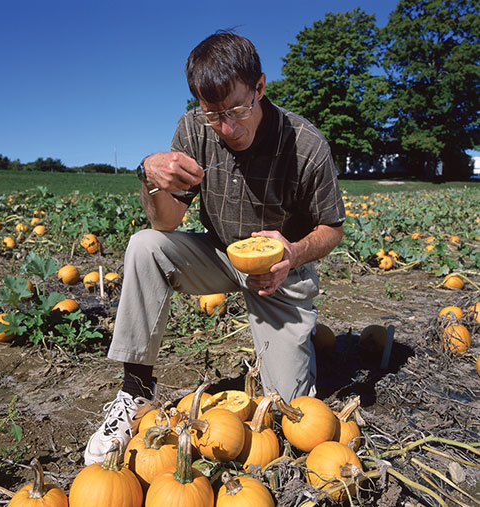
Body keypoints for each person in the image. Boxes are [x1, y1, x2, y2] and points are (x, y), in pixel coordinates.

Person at [84, 30, 345, 465]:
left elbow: (332, 228)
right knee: (145, 246)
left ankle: (297, 343)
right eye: (213, 114)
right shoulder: (192, 129)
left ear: (260, 87)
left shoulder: (305, 144)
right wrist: (148, 177)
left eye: (238, 110)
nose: (226, 127)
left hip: (279, 272)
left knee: (288, 414)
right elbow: (165, 222)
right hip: (220, 254)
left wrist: (294, 254)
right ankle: (134, 392)